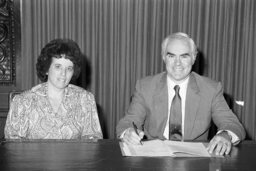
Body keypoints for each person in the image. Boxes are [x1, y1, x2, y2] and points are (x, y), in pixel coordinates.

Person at [116, 32, 246, 156]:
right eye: (171, 56)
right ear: (163, 57)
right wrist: (128, 132)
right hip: (154, 159)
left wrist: (225, 135)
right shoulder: (145, 87)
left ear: (194, 58)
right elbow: (128, 122)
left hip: (195, 161)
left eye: (184, 56)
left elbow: (233, 124)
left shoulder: (210, 89)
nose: (177, 63)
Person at [5, 38, 103, 140]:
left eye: (69, 69)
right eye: (58, 67)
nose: (63, 74)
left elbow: (93, 141)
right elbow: (13, 145)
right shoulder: (23, 102)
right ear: (47, 69)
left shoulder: (85, 99)